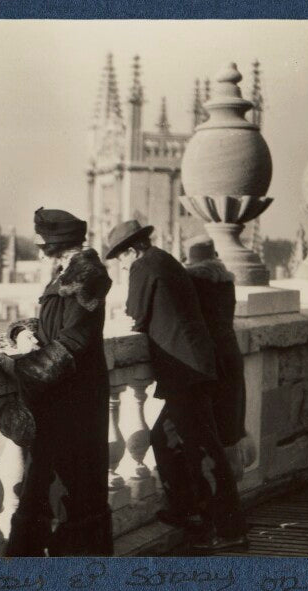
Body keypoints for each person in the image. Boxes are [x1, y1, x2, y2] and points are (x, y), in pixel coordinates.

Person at [106, 219, 248, 552]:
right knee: (162, 437)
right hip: (194, 368)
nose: (122, 265)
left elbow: (135, 313)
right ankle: (188, 511)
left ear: (131, 250)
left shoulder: (144, 266)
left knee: (204, 451)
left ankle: (229, 530)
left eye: (121, 258)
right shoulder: (163, 260)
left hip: (185, 371)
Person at [0, 208, 113, 557]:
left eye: (42, 240)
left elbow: (74, 342)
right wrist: (22, 331)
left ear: (55, 243)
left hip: (74, 398)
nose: (38, 245)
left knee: (69, 486)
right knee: (48, 482)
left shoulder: (86, 277)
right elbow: (51, 323)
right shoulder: (69, 273)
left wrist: (22, 371)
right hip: (62, 396)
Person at [183, 236, 256, 481]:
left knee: (210, 428)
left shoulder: (191, 282)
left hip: (209, 360)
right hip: (231, 355)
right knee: (231, 426)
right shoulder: (227, 282)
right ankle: (231, 489)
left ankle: (218, 497)